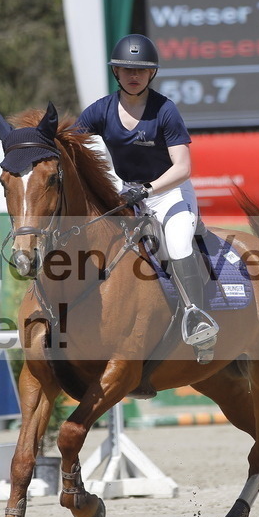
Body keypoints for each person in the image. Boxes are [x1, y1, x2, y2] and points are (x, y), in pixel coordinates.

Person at [75, 33, 218, 362]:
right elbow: (71, 143)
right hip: (128, 196)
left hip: (169, 194)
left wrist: (150, 189)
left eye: (140, 70)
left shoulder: (165, 111)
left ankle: (197, 320)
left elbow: (183, 167)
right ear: (116, 72)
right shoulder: (100, 111)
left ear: (151, 73)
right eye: (126, 70)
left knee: (178, 245)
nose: (133, 76)